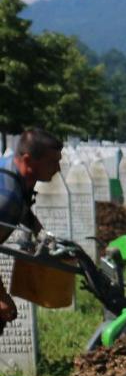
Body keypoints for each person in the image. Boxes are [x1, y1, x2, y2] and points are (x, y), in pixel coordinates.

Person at [0, 128, 64, 334]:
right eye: (52, 162)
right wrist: (1, 297)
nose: (58, 169)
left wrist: (41, 233)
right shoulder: (6, 195)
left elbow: (23, 208)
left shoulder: (16, 174)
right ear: (28, 160)